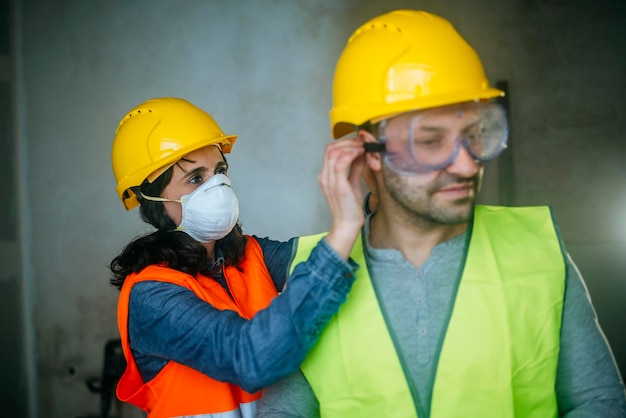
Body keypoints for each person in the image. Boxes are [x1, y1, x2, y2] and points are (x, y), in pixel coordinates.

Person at [257, 10, 626, 417]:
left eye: (474, 136)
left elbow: (598, 402)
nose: (468, 165)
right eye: (431, 142)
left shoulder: (538, 247)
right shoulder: (310, 276)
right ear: (369, 152)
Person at [109, 97, 367, 417]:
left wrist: (377, 196)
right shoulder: (151, 296)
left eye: (219, 171)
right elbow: (249, 358)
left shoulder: (249, 254)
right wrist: (345, 226)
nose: (217, 186)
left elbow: (344, 254)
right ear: (153, 200)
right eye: (195, 178)